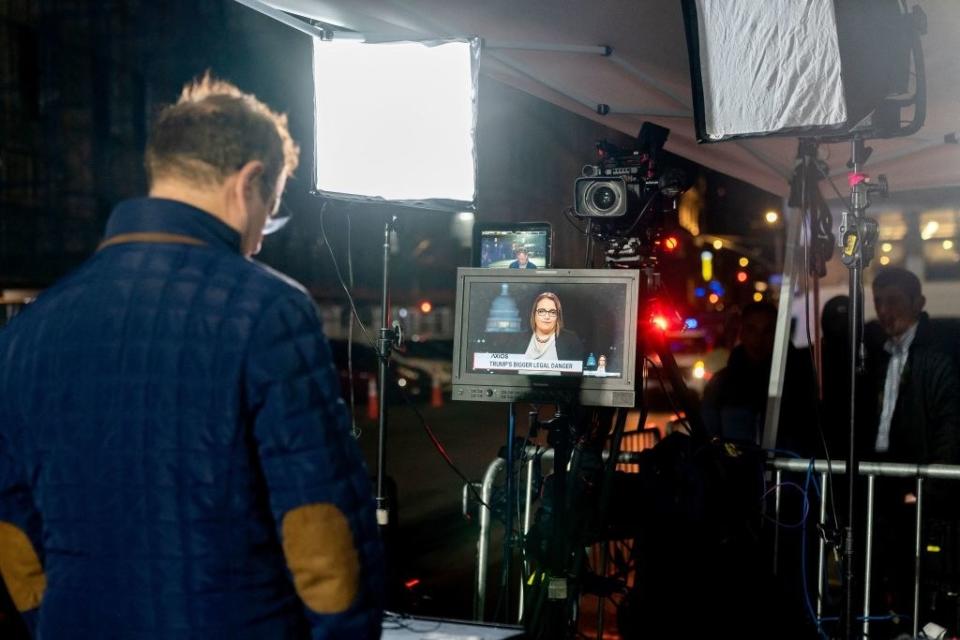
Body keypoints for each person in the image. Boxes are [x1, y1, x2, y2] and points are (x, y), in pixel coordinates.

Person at [0, 75, 383, 638]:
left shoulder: (27, 330)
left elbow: (12, 530)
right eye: (269, 213)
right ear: (248, 182)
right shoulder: (268, 311)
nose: (258, 240)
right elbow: (322, 533)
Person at [860, 267, 960, 632]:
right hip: (883, 478)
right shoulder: (878, 355)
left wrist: (931, 488)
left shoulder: (936, 356)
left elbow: (949, 425)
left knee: (914, 574)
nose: (885, 311)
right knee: (882, 567)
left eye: (894, 302)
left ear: (918, 304)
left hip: (916, 483)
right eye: (879, 302)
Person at [509, 292, 584, 369]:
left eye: (552, 312)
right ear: (534, 314)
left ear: (558, 316)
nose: (547, 316)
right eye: (541, 311)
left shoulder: (571, 340)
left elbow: (577, 375)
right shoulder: (518, 340)